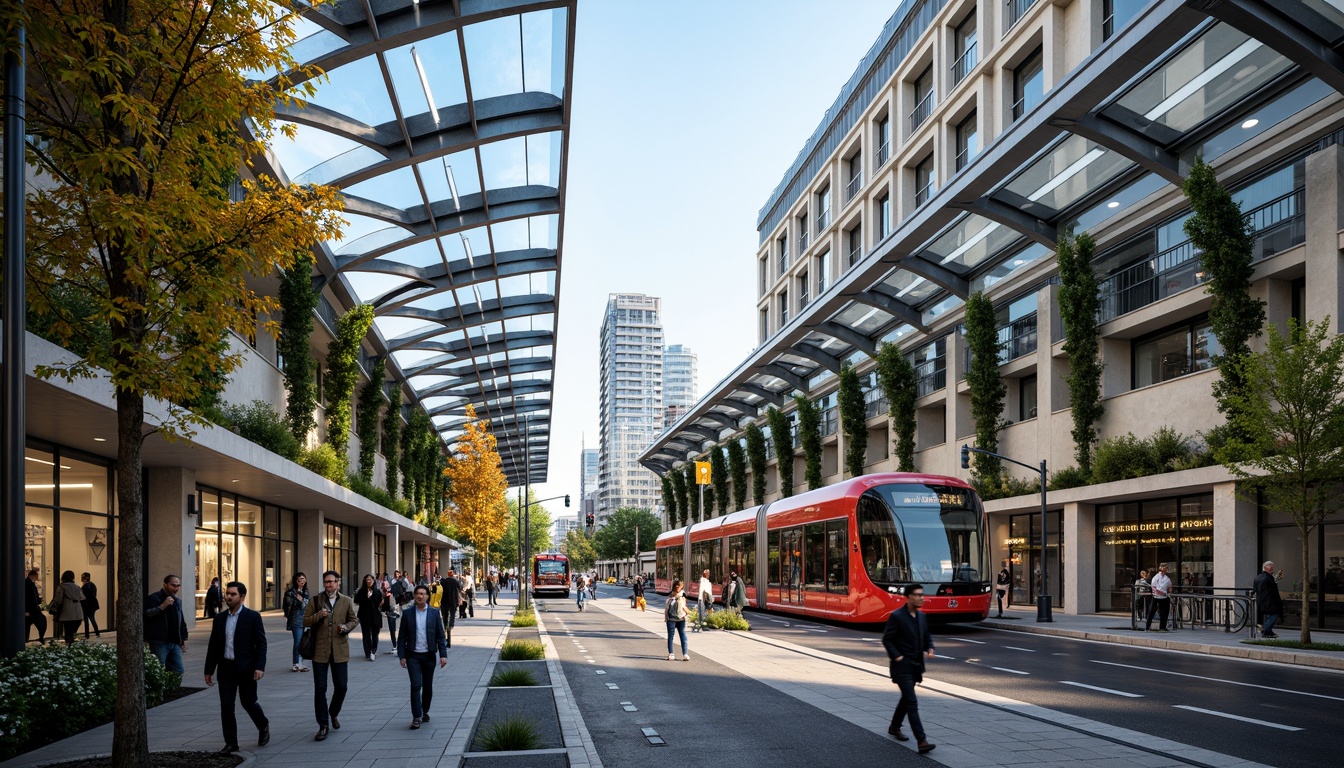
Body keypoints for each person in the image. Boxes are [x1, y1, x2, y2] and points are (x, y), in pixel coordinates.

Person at [204, 581, 270, 754]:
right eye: (227, 593)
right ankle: (231, 743)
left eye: (233, 594)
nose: (228, 597)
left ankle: (263, 725)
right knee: (226, 705)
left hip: (247, 668)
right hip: (226, 669)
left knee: (248, 702)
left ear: (242, 597)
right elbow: (214, 646)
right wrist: (209, 670)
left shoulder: (252, 617)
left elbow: (261, 644)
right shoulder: (219, 618)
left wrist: (259, 667)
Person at [303, 570, 359, 741]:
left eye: (332, 582)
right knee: (320, 689)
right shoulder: (315, 600)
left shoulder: (347, 601)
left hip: (340, 650)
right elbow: (305, 620)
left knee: (341, 686)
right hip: (319, 651)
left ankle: (332, 712)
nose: (329, 585)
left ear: (338, 582)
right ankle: (323, 725)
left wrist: (346, 627)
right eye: (326, 582)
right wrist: (319, 615)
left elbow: (354, 620)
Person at [882, 584, 936, 754]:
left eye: (922, 595)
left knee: (906, 699)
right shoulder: (897, 616)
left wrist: (930, 647)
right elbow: (887, 639)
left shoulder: (921, 617)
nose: (921, 598)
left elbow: (926, 635)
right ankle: (922, 740)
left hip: (916, 666)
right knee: (912, 702)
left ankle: (894, 727)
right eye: (917, 595)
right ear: (908, 597)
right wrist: (897, 656)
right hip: (902, 666)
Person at [398, 585, 449, 729]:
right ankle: (416, 715)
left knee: (427, 687)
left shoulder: (434, 613)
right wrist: (402, 656)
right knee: (415, 685)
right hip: (413, 655)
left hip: (429, 656)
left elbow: (440, 635)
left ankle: (424, 710)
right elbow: (402, 637)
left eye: (423, 594)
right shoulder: (407, 614)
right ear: (414, 596)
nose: (420, 596)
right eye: (417, 594)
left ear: (427, 596)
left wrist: (443, 655)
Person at [145, 574, 188, 672]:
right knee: (158, 670)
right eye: (173, 585)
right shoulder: (154, 598)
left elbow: (181, 620)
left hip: (175, 642)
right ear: (165, 585)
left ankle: (172, 687)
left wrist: (183, 638)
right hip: (159, 642)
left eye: (178, 586)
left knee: (178, 670)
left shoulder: (177, 601)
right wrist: (162, 606)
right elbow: (147, 614)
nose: (176, 588)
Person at [353, 573, 386, 661]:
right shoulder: (361, 591)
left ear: (373, 581)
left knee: (375, 634)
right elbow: (356, 600)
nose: (369, 581)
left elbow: (380, 602)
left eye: (370, 579)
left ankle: (373, 650)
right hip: (364, 615)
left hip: (375, 616)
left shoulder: (377, 591)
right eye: (367, 580)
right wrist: (365, 597)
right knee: (366, 634)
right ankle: (368, 652)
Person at [283, 572, 311, 672]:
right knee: (298, 642)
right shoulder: (290, 592)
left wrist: (301, 601)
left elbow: (308, 605)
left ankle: (300, 663)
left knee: (304, 642)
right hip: (296, 620)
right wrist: (300, 601)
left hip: (305, 620)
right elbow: (287, 606)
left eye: (303, 579)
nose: (301, 581)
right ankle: (296, 663)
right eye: (299, 579)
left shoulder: (306, 592)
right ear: (296, 581)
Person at [50, 570, 85, 645]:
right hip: (78, 612)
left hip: (67, 611)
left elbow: (58, 599)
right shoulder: (77, 587)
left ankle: (68, 645)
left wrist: (52, 607)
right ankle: (71, 644)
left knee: (67, 630)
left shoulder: (61, 587)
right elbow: (82, 597)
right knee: (72, 631)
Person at [1253, 561, 1284, 638]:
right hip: (1269, 600)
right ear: (1265, 567)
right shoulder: (1267, 578)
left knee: (1272, 614)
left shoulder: (1259, 577)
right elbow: (1271, 589)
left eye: (1272, 567)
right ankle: (1266, 629)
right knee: (1274, 613)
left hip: (1263, 600)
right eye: (1270, 567)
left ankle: (1268, 630)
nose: (1272, 569)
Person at [666, 579, 689, 661]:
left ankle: (685, 654)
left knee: (681, 636)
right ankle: (672, 653)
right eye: (681, 586)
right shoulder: (672, 596)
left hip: (679, 619)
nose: (682, 588)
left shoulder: (682, 595)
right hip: (672, 618)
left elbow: (684, 606)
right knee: (673, 636)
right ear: (677, 587)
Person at [1145, 563, 1173, 632]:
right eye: (1164, 567)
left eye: (1166, 568)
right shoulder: (1156, 577)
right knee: (1151, 611)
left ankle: (1162, 627)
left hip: (1164, 597)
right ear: (1161, 568)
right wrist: (1159, 592)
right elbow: (1153, 587)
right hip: (1156, 597)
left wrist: (1169, 591)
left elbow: (1169, 587)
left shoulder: (1167, 578)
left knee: (1164, 612)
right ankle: (1147, 627)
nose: (1166, 569)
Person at [439, 570, 463, 647]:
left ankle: (445, 623)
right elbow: (459, 588)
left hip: (444, 600)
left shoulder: (443, 581)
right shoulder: (455, 581)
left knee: (445, 614)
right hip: (453, 600)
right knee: (453, 612)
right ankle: (451, 623)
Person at [25, 568, 48, 645]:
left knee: (29, 625)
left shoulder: (29, 584)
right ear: (33, 576)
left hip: (32, 609)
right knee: (41, 622)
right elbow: (29, 598)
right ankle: (40, 638)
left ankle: (27, 639)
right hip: (32, 609)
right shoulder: (28, 584)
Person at [80, 572, 101, 639]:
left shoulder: (85, 586)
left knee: (87, 619)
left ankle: (87, 635)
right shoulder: (92, 585)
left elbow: (84, 596)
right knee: (92, 618)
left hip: (87, 605)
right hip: (93, 604)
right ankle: (97, 633)